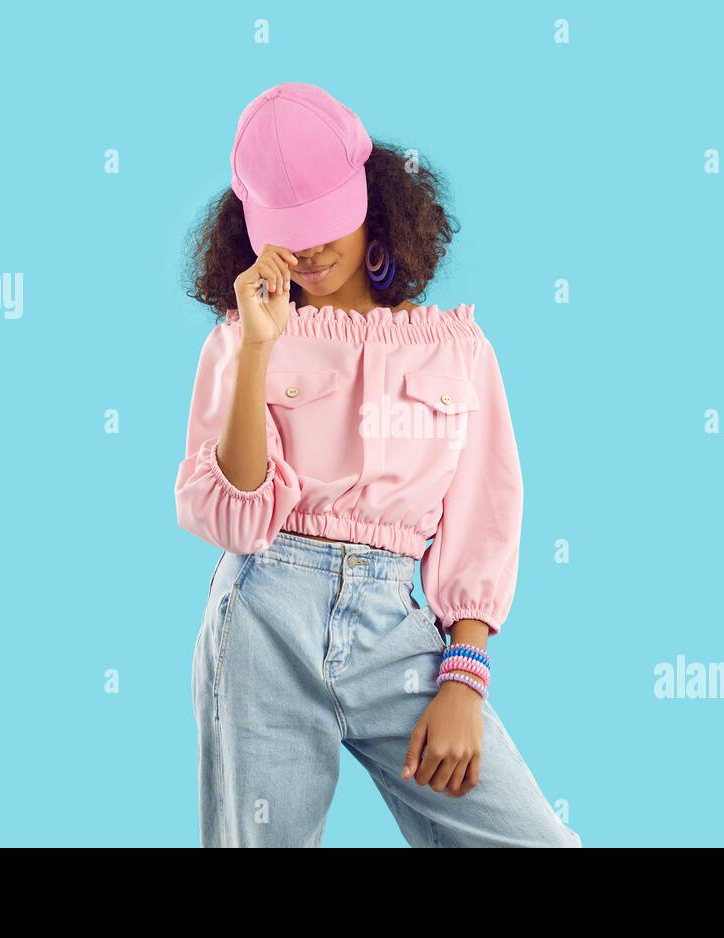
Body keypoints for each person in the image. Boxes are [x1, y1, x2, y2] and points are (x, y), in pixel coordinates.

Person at [176, 82, 580, 848]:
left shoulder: (456, 349)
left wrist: (464, 672)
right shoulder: (242, 339)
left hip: (400, 630)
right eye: (288, 232)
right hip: (266, 617)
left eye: (328, 222)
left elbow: (486, 517)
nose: (311, 250)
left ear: (374, 201)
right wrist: (259, 347)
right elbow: (230, 514)